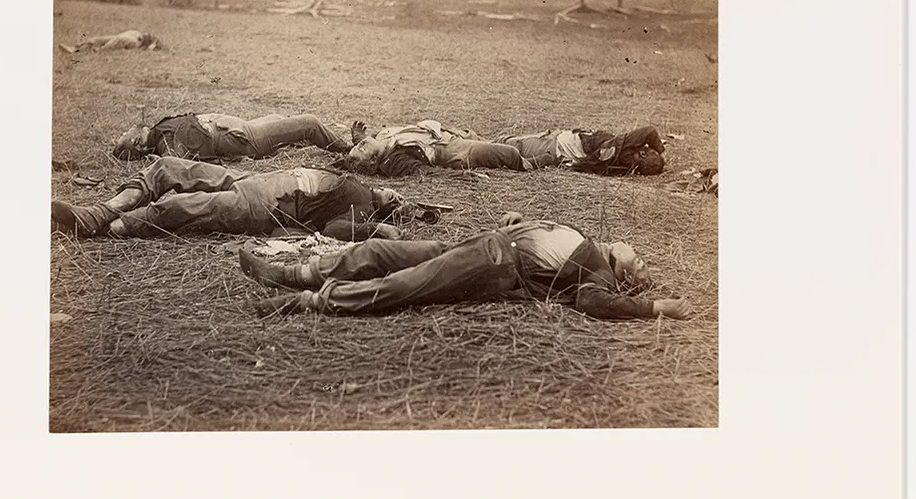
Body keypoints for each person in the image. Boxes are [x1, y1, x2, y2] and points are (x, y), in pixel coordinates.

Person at [239, 211, 692, 320]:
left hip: (493, 263)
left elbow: (596, 302)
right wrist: (521, 220)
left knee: (405, 284)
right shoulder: (588, 242)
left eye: (643, 264)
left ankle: (306, 301)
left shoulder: (599, 270)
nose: (640, 254)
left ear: (626, 273)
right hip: (484, 244)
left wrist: (654, 308)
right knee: (381, 253)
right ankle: (292, 271)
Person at [50, 156, 425, 241]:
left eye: (396, 201)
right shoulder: (354, 179)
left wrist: (381, 227)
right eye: (398, 194)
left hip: (265, 207)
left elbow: (335, 228)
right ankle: (100, 211)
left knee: (182, 207)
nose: (395, 196)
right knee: (168, 167)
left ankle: (107, 228)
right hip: (257, 180)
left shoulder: (360, 209)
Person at [338, 120, 557, 177]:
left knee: (509, 142)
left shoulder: (381, 138)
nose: (361, 145)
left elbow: (365, 144)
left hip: (454, 133)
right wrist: (461, 176)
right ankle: (539, 162)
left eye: (358, 144)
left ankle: (546, 145)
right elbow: (428, 172)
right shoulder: (395, 161)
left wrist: (360, 138)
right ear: (374, 162)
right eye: (362, 148)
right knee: (507, 153)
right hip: (455, 149)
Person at [113, 112, 354, 162]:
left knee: (278, 116)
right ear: (137, 142)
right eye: (125, 135)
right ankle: (349, 151)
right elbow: (175, 162)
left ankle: (299, 142)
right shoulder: (165, 142)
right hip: (246, 138)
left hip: (242, 127)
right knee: (310, 123)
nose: (125, 130)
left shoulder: (159, 132)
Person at [496, 125, 667, 176]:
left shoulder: (619, 146)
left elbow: (650, 131)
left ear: (643, 153)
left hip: (553, 144)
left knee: (505, 144)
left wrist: (659, 150)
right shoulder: (621, 169)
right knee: (505, 146)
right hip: (556, 151)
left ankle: (471, 138)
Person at [58, 29, 162, 54]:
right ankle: (75, 48)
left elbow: (151, 45)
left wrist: (151, 44)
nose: (149, 34)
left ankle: (77, 50)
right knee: (97, 40)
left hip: (129, 39)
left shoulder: (142, 40)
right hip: (125, 36)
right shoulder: (136, 33)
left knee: (105, 46)